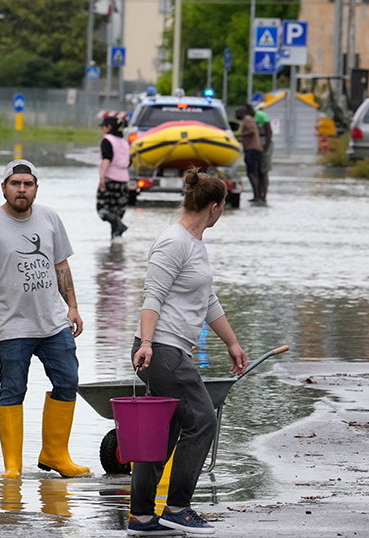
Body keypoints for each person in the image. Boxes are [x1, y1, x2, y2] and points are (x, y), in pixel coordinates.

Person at [126, 167, 248, 536]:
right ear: (214, 207)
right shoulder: (174, 242)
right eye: (224, 205)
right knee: (204, 421)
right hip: (161, 349)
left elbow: (206, 299)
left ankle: (143, 517)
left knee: (164, 433)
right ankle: (178, 507)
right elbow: (152, 297)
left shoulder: (194, 244)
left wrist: (232, 342)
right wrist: (147, 344)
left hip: (171, 348)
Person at [0, 159, 90, 480]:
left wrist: (72, 306)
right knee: (12, 390)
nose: (22, 189)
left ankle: (55, 454)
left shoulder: (49, 218)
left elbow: (61, 264)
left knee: (68, 382)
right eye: (15, 183)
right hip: (12, 325)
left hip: (53, 322)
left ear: (36, 187)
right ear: (4, 187)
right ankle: (12, 467)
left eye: (28, 183)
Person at [97, 116, 132, 239]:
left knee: (102, 209)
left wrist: (102, 177)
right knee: (117, 212)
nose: (102, 128)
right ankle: (116, 241)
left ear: (108, 127)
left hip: (109, 178)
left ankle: (120, 227)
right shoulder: (124, 142)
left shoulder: (107, 140)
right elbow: (129, 161)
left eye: (103, 126)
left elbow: (107, 158)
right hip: (123, 181)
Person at [236, 105, 263, 204]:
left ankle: (257, 196)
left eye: (237, 113)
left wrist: (238, 135)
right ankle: (257, 195)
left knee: (252, 173)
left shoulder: (247, 119)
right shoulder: (249, 119)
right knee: (252, 173)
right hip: (252, 149)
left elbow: (251, 132)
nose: (236, 115)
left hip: (252, 149)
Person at [253, 105, 273, 202]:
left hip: (265, 145)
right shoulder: (249, 118)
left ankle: (263, 196)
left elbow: (269, 131)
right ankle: (258, 195)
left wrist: (266, 146)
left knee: (263, 171)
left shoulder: (261, 115)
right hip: (257, 147)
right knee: (258, 172)